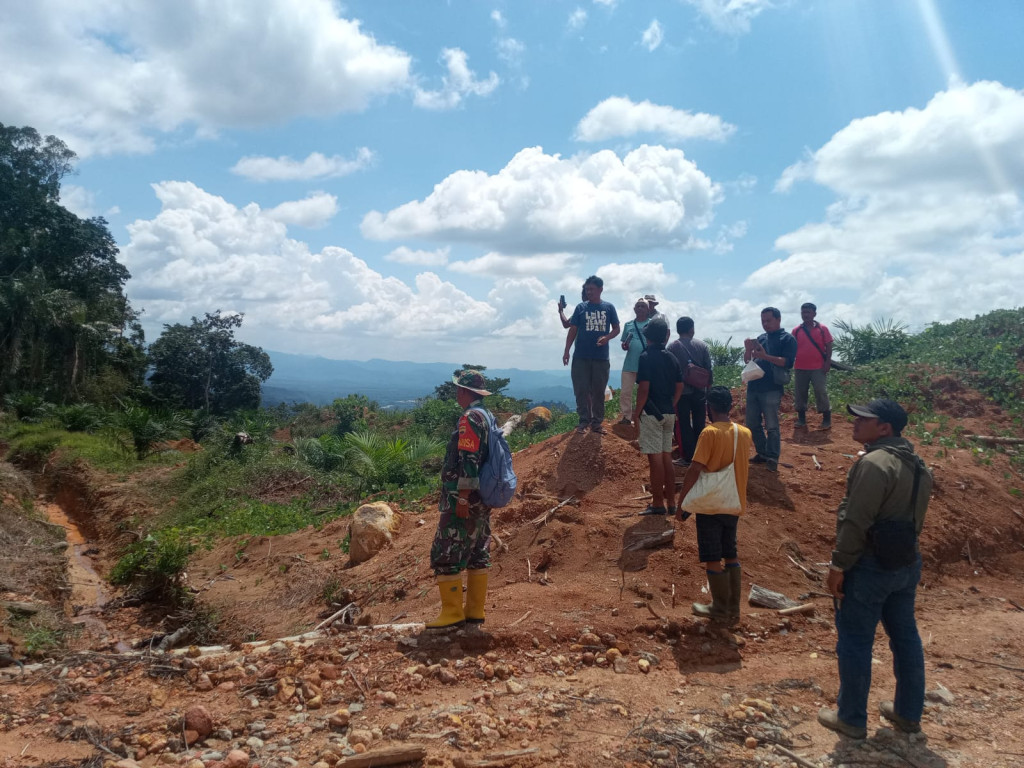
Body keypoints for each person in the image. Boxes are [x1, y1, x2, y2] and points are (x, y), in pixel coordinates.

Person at [819, 399, 933, 740]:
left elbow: (856, 521)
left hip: (869, 565)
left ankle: (851, 719)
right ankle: (908, 714)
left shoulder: (874, 464)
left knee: (855, 640)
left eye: (864, 419)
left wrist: (839, 564)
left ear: (885, 428)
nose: (855, 423)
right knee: (905, 637)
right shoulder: (919, 466)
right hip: (906, 561)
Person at [676, 386, 753, 624]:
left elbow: (695, 468)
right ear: (729, 406)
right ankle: (733, 609)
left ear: (709, 407)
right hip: (734, 500)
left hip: (711, 503)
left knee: (712, 555)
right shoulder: (745, 433)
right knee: (730, 553)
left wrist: (682, 502)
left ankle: (719, 608)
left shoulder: (709, 433)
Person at [426, 370, 496, 629]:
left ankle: (452, 613)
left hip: (464, 496)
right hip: (484, 495)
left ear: (466, 392)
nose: (456, 394)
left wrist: (463, 497)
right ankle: (474, 611)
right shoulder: (488, 416)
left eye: (459, 390)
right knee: (478, 549)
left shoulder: (469, 419)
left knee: (446, 550)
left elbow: (469, 459)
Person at [633, 317, 683, 516]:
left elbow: (643, 389)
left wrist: (636, 414)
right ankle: (671, 502)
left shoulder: (645, 357)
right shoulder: (672, 357)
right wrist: (672, 404)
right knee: (666, 458)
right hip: (669, 413)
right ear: (665, 336)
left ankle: (657, 504)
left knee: (655, 461)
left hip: (651, 415)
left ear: (647, 337)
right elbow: (679, 386)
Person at [563, 275, 620, 433]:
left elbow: (616, 328)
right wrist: (567, 351)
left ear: (600, 289)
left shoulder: (609, 307)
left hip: (601, 357)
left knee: (598, 391)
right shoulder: (581, 308)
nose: (589, 292)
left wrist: (607, 337)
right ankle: (583, 421)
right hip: (580, 356)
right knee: (580, 389)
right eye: (587, 289)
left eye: (592, 289)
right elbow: (572, 330)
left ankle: (597, 423)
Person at [744, 307, 797, 472]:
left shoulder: (787, 339)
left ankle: (773, 457)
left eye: (768, 320)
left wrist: (765, 356)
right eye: (763, 321)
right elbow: (748, 361)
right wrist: (747, 349)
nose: (765, 324)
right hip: (754, 386)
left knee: (772, 425)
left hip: (772, 387)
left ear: (778, 319)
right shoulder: (761, 338)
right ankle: (763, 453)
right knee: (752, 423)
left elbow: (787, 362)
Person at [667, 316, 714, 466]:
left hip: (681, 393)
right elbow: (708, 370)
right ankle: (702, 455)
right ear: (691, 329)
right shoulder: (702, 346)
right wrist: (709, 390)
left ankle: (687, 457)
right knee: (700, 423)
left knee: (684, 424)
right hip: (700, 391)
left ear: (678, 330)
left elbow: (670, 372)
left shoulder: (672, 347)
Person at [792, 302, 834, 428]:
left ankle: (826, 419)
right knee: (800, 393)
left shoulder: (823, 329)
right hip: (800, 367)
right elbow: (791, 347)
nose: (805, 315)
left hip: (818, 367)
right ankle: (801, 419)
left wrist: (827, 362)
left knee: (820, 391)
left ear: (814, 314)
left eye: (808, 312)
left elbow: (829, 345)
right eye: (803, 312)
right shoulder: (796, 330)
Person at [618, 298, 651, 424]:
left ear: (648, 309)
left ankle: (643, 415)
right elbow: (624, 343)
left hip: (646, 364)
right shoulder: (628, 325)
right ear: (634, 309)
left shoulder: (652, 324)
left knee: (645, 391)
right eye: (638, 306)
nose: (640, 308)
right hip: (629, 363)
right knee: (626, 392)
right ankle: (626, 416)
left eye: (643, 306)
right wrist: (624, 346)